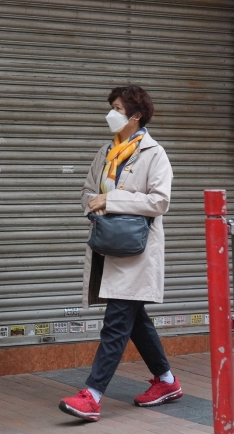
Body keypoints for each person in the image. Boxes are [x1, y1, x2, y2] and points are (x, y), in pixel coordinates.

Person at [58, 85, 181, 423]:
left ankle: (93, 395)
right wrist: (93, 207)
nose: (110, 113)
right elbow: (87, 191)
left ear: (135, 115)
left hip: (137, 252)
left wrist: (111, 201)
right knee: (134, 319)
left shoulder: (154, 153)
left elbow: (160, 201)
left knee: (116, 322)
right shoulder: (106, 151)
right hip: (107, 245)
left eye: (116, 107)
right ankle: (167, 381)